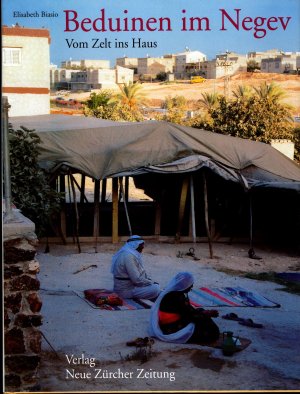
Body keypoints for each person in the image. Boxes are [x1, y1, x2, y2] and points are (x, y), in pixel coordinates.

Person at [148, 271, 220, 344]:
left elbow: (188, 311)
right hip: (171, 328)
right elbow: (191, 316)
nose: (191, 287)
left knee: (201, 312)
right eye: (190, 285)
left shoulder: (173, 293)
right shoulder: (177, 297)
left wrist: (204, 312)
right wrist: (207, 314)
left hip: (171, 323)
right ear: (184, 285)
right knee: (209, 327)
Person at [111, 235, 160, 300]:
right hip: (125, 291)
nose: (143, 247)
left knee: (153, 285)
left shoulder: (127, 253)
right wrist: (150, 282)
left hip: (126, 287)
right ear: (135, 245)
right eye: (141, 245)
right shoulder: (128, 257)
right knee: (156, 288)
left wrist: (148, 281)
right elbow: (136, 280)